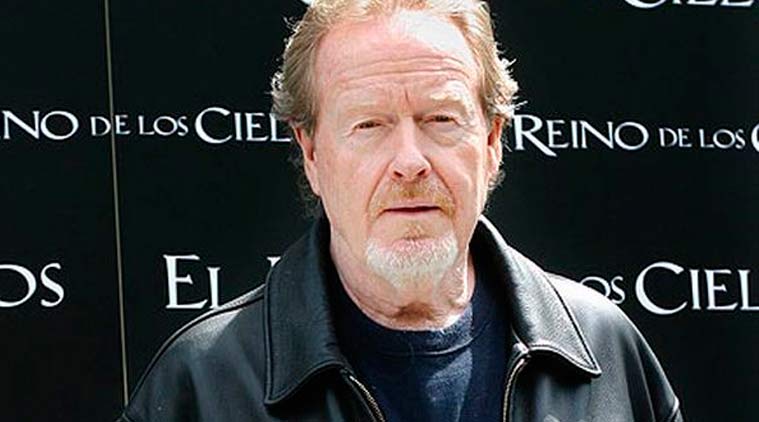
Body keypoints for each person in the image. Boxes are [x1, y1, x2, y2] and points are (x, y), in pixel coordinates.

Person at [118, 1, 683, 421]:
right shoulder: (201, 385)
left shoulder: (606, 351)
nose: (410, 162)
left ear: (492, 141)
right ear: (311, 153)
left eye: (440, 120)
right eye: (370, 125)